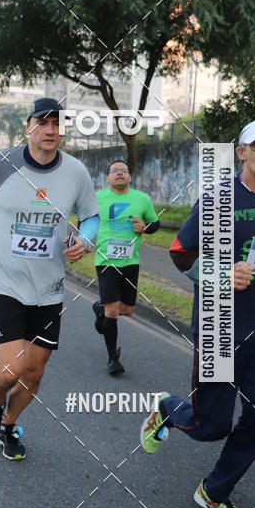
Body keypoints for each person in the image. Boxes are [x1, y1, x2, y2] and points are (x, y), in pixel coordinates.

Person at [140, 119, 255, 508]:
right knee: (209, 425)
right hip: (219, 325)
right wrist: (220, 274)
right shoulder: (219, 199)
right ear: (242, 153)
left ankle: (214, 490)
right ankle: (167, 409)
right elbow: (181, 253)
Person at [0, 97, 99, 460]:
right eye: (43, 122)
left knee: (34, 373)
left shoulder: (76, 173)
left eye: (56, 124)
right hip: (2, 280)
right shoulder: (0, 164)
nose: (50, 130)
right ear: (28, 127)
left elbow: (92, 216)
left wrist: (85, 239)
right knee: (10, 369)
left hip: (49, 287)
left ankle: (8, 425)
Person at [92, 159, 160, 375]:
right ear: (107, 177)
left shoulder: (142, 199)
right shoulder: (97, 198)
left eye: (124, 170)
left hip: (131, 261)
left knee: (127, 310)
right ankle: (113, 359)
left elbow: (155, 224)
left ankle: (99, 309)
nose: (119, 173)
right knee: (113, 311)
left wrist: (145, 227)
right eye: (115, 171)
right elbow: (86, 220)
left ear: (130, 177)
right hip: (106, 260)